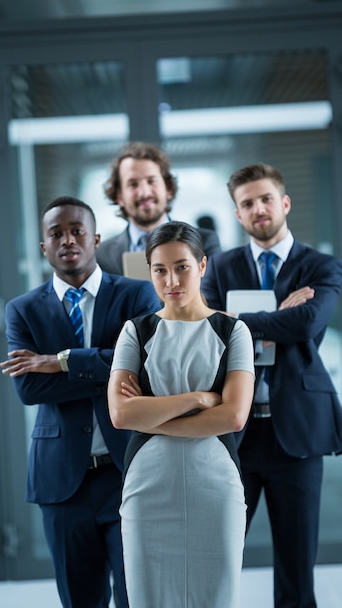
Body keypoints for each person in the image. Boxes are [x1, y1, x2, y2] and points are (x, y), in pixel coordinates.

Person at [201, 163, 342, 608]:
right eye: (247, 203)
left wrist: (240, 321)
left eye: (266, 198)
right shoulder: (222, 267)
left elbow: (308, 322)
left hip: (297, 434)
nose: (259, 209)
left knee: (296, 566)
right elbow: (207, 331)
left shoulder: (321, 265)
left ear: (284, 202)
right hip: (235, 432)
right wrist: (277, 318)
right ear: (237, 214)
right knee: (218, 559)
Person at [0, 196, 160, 608]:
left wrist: (60, 362)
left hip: (128, 473)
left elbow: (145, 369)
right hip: (62, 484)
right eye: (56, 234)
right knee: (79, 600)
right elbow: (29, 389)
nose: (67, 240)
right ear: (43, 247)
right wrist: (109, 368)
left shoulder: (137, 295)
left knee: (138, 597)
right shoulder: (21, 310)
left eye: (77, 231)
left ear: (96, 239)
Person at [107, 221, 255, 608]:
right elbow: (121, 414)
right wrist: (198, 399)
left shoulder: (233, 330)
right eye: (159, 269)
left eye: (182, 266)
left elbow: (234, 417)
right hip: (148, 486)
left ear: (202, 265)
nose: (171, 279)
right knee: (149, 597)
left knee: (216, 596)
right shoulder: (135, 332)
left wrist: (153, 416)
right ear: (149, 271)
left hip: (216, 483)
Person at [96, 142, 221, 274]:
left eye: (151, 181)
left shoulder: (205, 242)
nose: (145, 193)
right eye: (133, 184)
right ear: (119, 196)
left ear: (168, 189)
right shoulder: (101, 255)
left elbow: (210, 293)